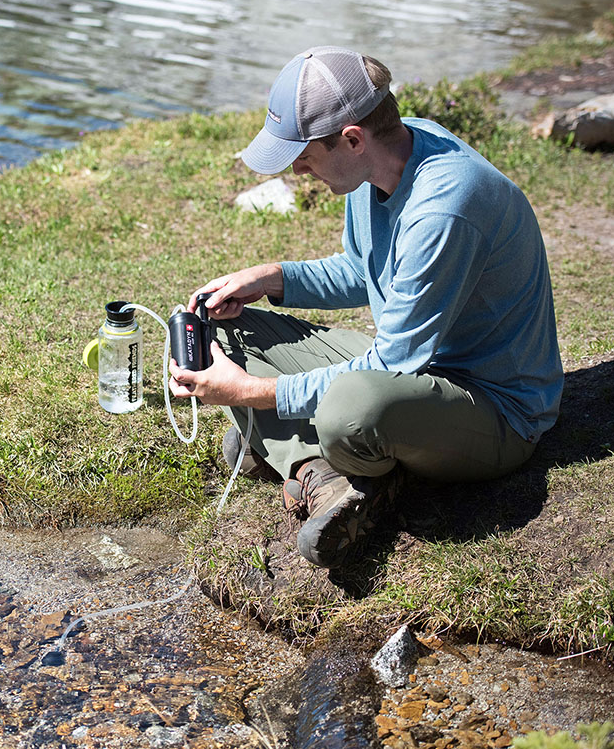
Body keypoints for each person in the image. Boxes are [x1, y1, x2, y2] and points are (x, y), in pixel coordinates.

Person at [167, 45, 563, 569]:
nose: (301, 171)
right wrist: (272, 279)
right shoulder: (382, 157)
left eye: (304, 157)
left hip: (495, 410)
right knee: (228, 327)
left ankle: (322, 465)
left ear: (352, 139)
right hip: (417, 369)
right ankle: (318, 470)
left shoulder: (443, 210)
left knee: (348, 411)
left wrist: (252, 394)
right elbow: (364, 269)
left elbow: (391, 366)